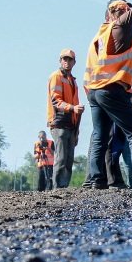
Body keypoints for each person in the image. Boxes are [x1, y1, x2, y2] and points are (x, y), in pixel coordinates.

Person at [83, 0, 132, 190]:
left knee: (100, 135)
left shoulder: (104, 34)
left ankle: (96, 180)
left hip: (95, 91)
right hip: (111, 89)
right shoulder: (119, 26)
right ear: (116, 13)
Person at [47, 48, 84, 188]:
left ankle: (63, 188)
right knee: (61, 158)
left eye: (70, 59)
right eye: (65, 59)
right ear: (60, 61)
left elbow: (74, 104)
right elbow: (56, 101)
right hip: (59, 123)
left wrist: (77, 130)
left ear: (74, 62)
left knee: (68, 160)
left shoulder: (72, 81)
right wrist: (73, 108)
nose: (67, 62)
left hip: (70, 124)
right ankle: (57, 189)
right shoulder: (56, 77)